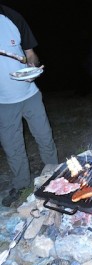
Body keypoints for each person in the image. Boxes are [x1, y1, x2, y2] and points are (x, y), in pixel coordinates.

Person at [0, 4, 58, 206]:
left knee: (44, 136)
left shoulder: (11, 16)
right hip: (3, 101)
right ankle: (22, 185)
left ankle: (55, 177)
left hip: (29, 93)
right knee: (12, 146)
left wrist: (32, 66)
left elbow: (30, 53)